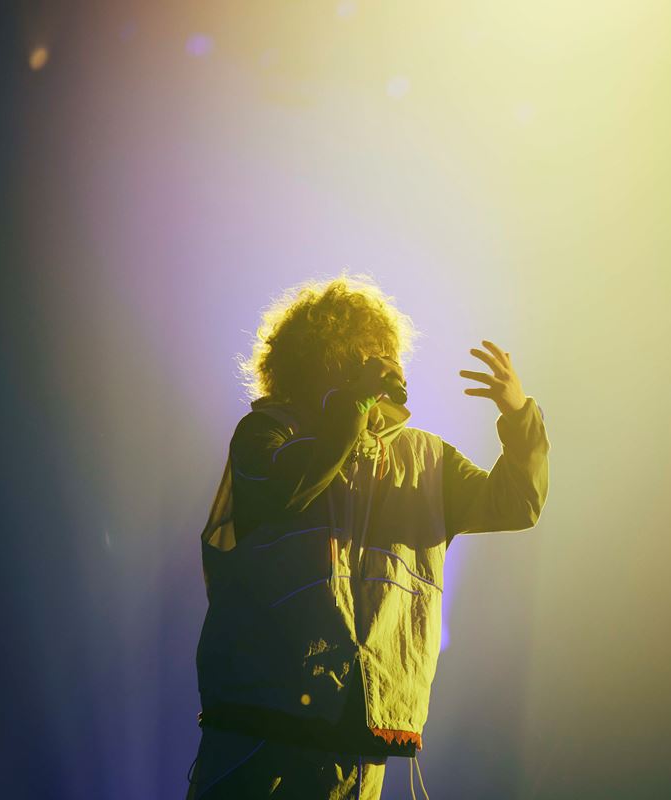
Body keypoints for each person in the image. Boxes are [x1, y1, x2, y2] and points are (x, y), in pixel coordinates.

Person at [185, 273, 550, 799]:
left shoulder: (426, 459)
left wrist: (518, 417)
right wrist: (351, 410)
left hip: (360, 723)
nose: (379, 366)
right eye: (359, 355)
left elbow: (517, 503)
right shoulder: (269, 433)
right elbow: (287, 489)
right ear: (320, 360)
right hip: (261, 722)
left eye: (381, 354)